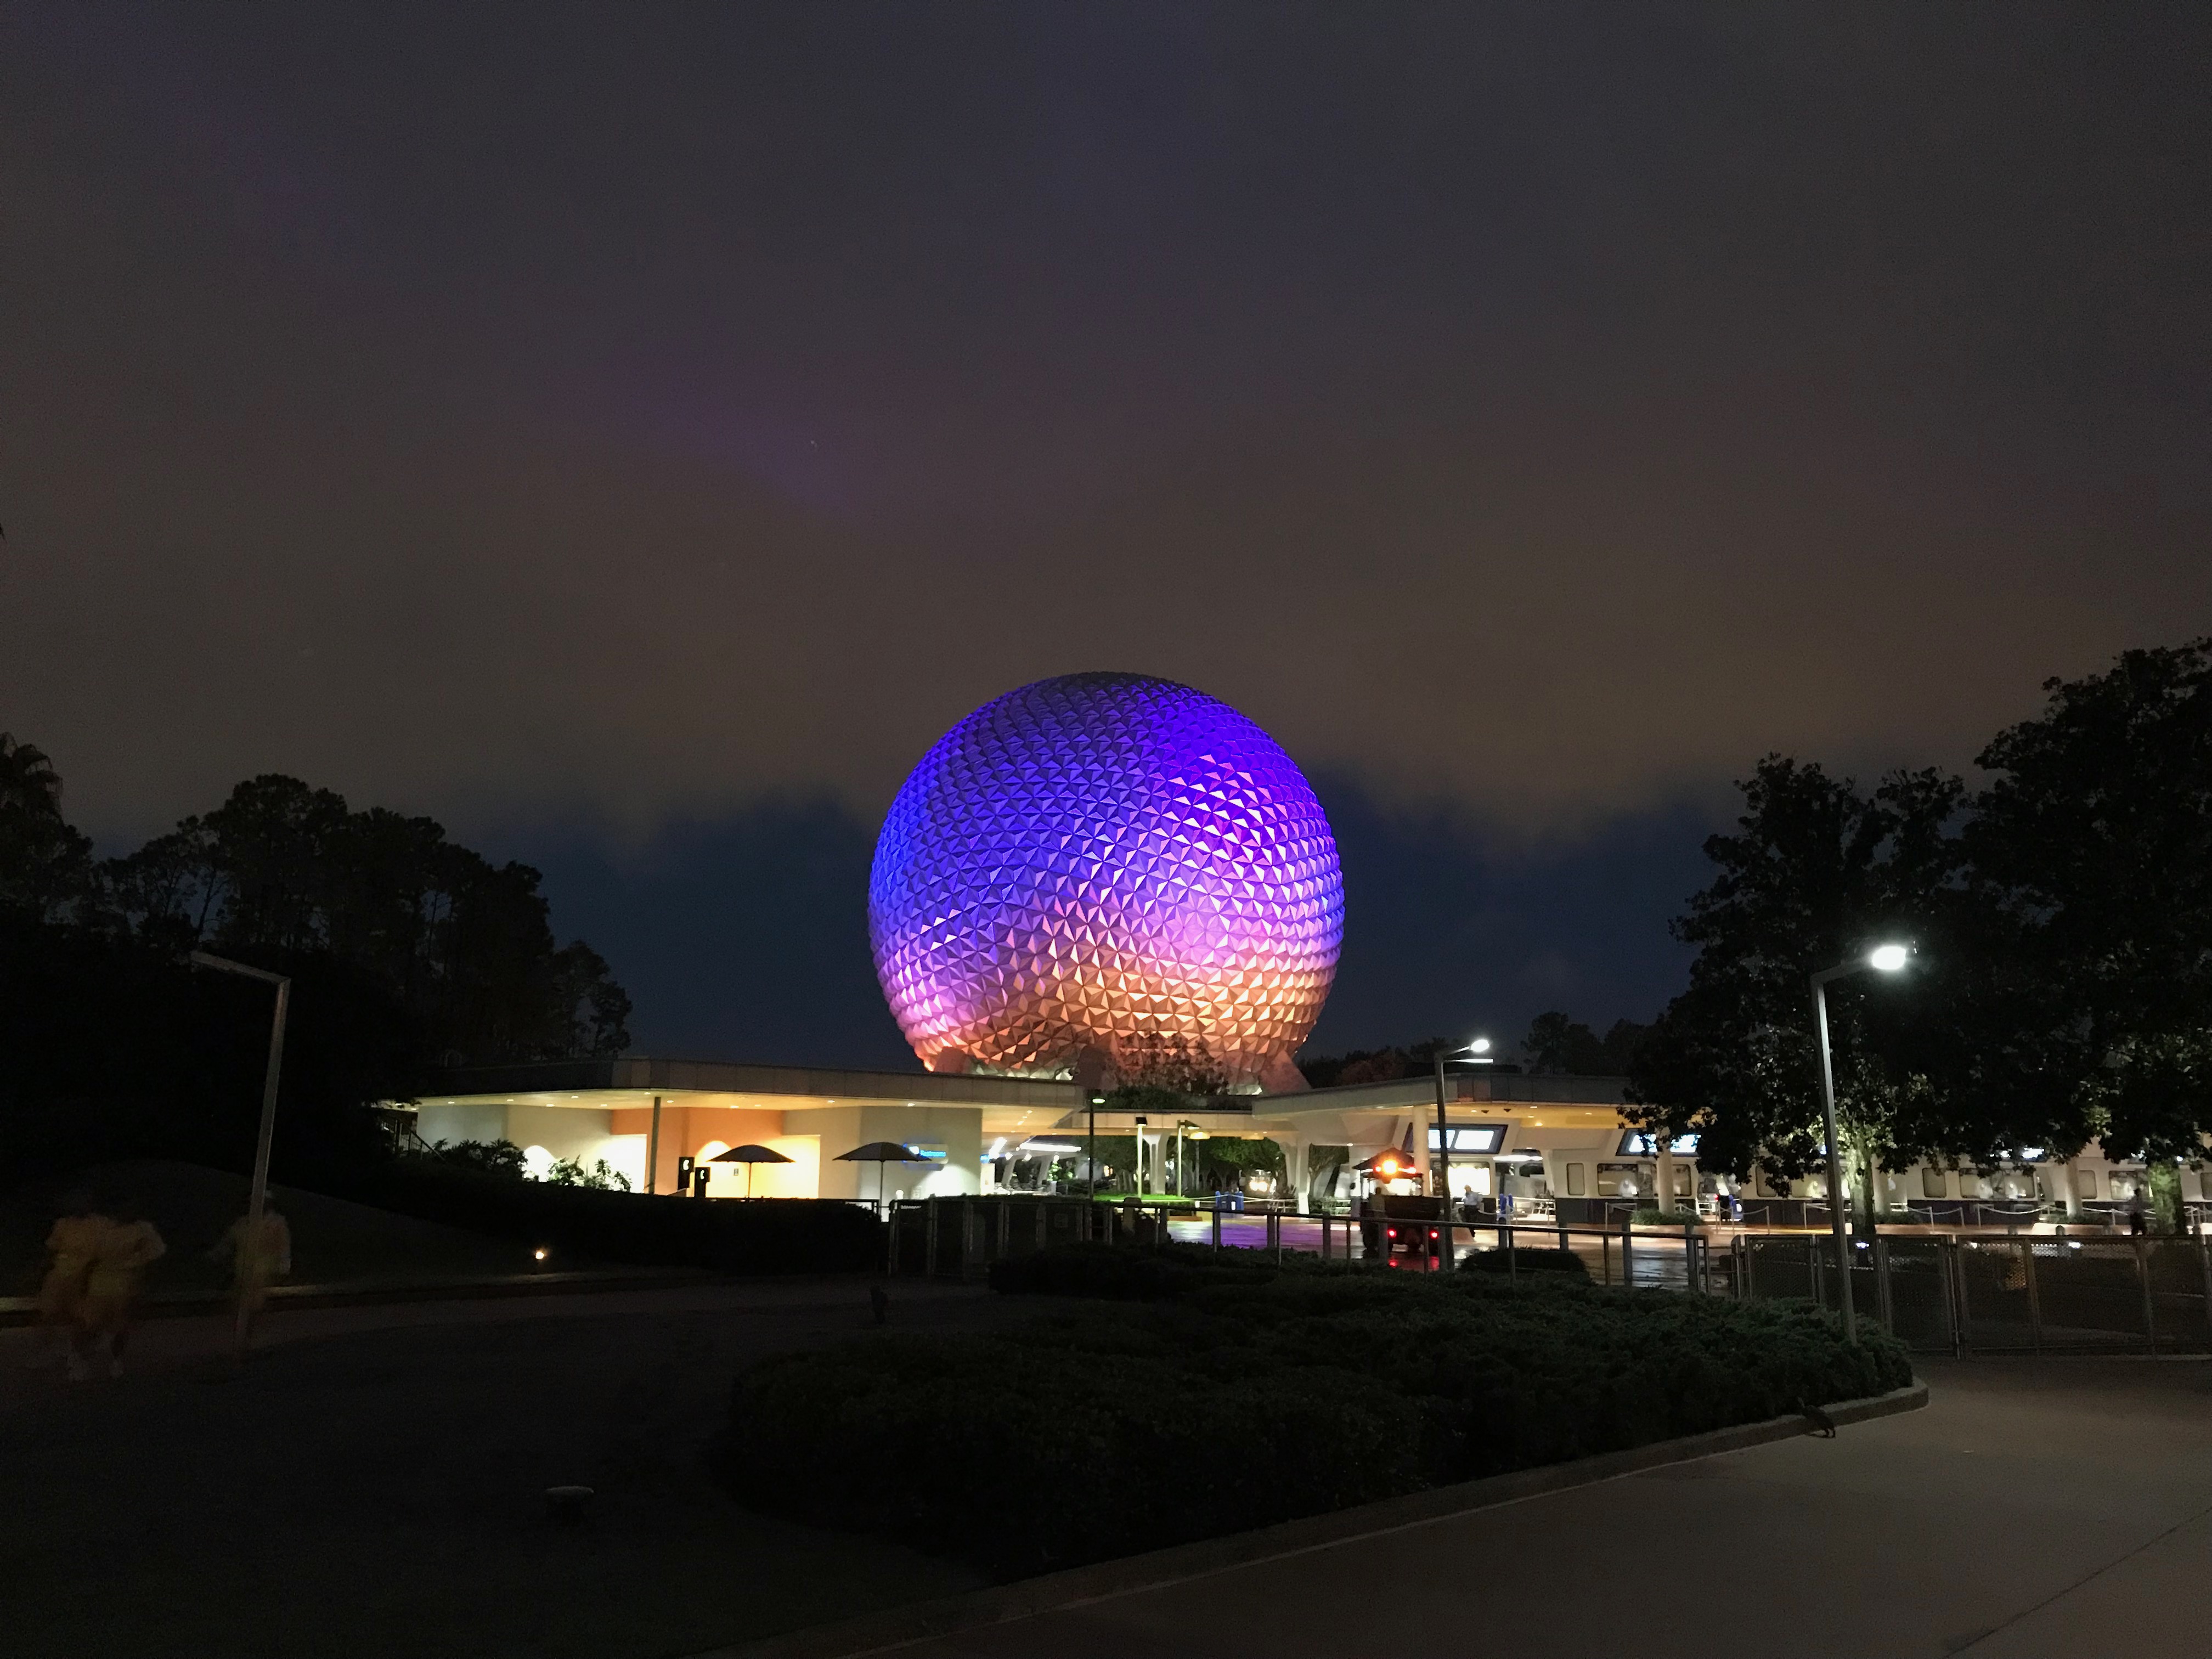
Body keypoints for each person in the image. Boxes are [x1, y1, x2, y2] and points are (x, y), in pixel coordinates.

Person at [77, 1200, 165, 1379]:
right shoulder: (103, 1228)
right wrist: (83, 1282)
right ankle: (82, 1360)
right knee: (90, 1325)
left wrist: (144, 1283)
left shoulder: (143, 1230)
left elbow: (154, 1257)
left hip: (125, 1282)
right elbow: (91, 1257)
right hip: (100, 1282)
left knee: (121, 1325)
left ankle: (116, 1361)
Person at [35, 1189, 109, 1372]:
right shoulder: (63, 1224)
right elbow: (52, 1250)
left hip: (85, 1276)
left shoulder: (100, 1224)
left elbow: (102, 1253)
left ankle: (78, 1356)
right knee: (49, 1314)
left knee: (82, 1318)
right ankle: (52, 1351)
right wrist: (39, 1272)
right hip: (60, 1276)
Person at [211, 1205, 292, 1345]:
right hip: (243, 1273)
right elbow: (228, 1242)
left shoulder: (276, 1223)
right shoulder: (244, 1222)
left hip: (264, 1275)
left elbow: (284, 1247)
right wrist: (214, 1256)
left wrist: (283, 1269)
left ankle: (253, 1339)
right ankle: (241, 1339)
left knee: (256, 1307)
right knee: (240, 1306)